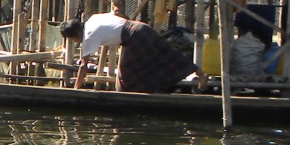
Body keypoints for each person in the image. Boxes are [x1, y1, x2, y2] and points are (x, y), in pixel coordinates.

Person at [59, 12, 207, 93]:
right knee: (165, 53)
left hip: (135, 36)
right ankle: (198, 72)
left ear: (75, 34)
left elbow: (83, 66)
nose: (75, 42)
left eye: (73, 39)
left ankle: (137, 97)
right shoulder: (93, 18)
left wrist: (76, 89)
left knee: (127, 77)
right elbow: (117, 14)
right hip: (141, 28)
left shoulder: (89, 36)